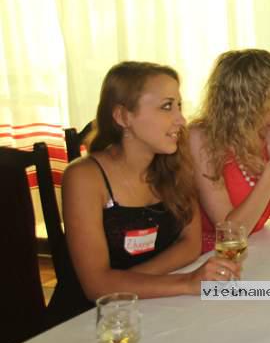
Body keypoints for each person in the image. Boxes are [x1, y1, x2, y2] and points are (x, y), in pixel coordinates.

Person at [54, 62, 239, 318]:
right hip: (90, 320)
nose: (181, 119)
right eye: (167, 107)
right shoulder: (85, 177)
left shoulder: (174, 165)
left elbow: (190, 244)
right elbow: (96, 286)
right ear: (123, 117)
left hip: (153, 304)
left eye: (179, 106)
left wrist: (125, 281)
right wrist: (186, 282)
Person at [189, 49, 270, 252]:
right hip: (211, 258)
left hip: (255, 249)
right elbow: (231, 234)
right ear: (253, 100)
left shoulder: (263, 133)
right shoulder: (202, 138)